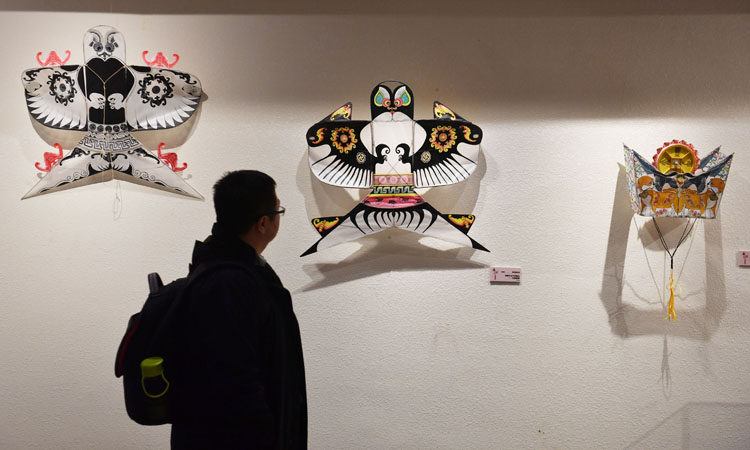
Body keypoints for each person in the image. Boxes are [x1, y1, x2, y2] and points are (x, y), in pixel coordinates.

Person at [170, 170, 307, 449]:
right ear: (263, 223)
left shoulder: (224, 269)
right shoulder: (230, 283)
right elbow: (236, 384)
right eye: (279, 210)